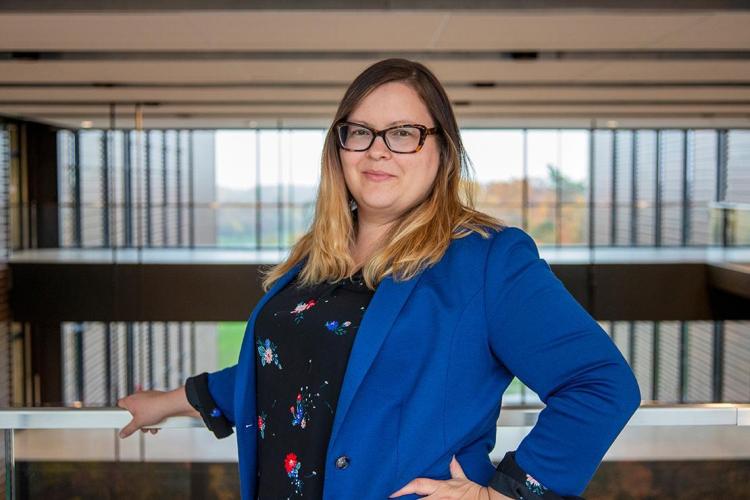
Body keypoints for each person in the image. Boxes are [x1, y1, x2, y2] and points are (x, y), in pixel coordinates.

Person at [117, 58, 641, 500]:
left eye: (404, 133)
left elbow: (601, 384)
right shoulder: (315, 259)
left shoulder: (487, 260)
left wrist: (506, 492)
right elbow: (293, 371)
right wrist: (168, 401)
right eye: (360, 132)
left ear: (442, 150)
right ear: (338, 148)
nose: (378, 150)